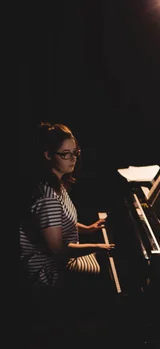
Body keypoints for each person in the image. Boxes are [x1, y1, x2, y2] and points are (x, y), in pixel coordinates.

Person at [19, 121, 115, 297]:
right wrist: (96, 246)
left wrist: (87, 229)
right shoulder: (48, 198)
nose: (73, 159)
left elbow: (60, 223)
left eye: (75, 153)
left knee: (108, 263)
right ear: (48, 155)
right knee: (106, 279)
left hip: (62, 258)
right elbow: (58, 249)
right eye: (65, 154)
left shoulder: (57, 183)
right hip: (48, 270)